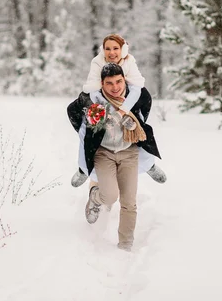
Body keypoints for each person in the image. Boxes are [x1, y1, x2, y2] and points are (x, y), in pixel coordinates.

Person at [66, 63, 161, 251]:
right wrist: (85, 130)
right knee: (109, 197)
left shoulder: (133, 100)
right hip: (104, 154)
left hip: (129, 153)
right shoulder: (94, 102)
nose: (115, 87)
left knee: (129, 202)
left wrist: (133, 125)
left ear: (124, 81)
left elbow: (144, 115)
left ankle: (125, 246)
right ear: (102, 83)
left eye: (119, 82)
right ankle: (95, 196)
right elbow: (73, 112)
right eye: (109, 83)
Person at [70, 33, 166, 187]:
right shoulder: (97, 62)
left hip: (125, 99)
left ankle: (149, 165)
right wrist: (104, 110)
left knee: (140, 126)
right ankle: (84, 169)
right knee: (85, 129)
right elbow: (92, 88)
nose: (111, 52)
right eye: (107, 48)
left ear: (123, 49)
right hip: (99, 100)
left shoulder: (129, 61)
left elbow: (137, 88)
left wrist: (123, 110)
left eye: (116, 48)